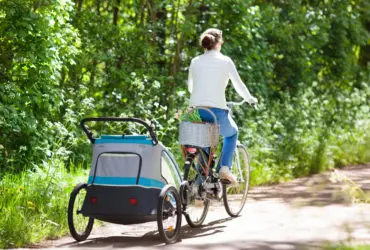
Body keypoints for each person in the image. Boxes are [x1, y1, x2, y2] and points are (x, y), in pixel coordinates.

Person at [187, 28, 258, 185]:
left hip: (195, 111)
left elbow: (191, 88)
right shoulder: (225, 61)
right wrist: (250, 99)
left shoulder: (195, 61)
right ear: (219, 43)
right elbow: (239, 85)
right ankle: (224, 168)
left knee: (204, 142)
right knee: (232, 133)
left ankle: (200, 183)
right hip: (217, 111)